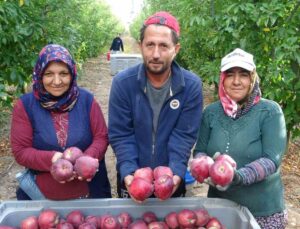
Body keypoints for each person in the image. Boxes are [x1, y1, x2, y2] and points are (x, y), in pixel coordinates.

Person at [108, 11, 203, 200]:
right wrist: (128, 171)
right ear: (140, 46)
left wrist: (176, 172)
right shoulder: (123, 83)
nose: (156, 54)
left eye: (164, 46)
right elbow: (121, 134)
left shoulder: (191, 86)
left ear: (176, 49)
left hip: (170, 179)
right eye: (150, 45)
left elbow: (184, 136)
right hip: (133, 178)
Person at [193, 48, 287, 228]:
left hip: (262, 211)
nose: (236, 81)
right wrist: (201, 166)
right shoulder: (211, 113)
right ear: (222, 79)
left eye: (243, 75)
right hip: (220, 209)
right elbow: (200, 151)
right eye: (230, 75)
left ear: (253, 78)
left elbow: (271, 160)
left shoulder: (270, 111)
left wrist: (238, 177)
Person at [10, 44, 111, 200]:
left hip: (90, 190)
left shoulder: (86, 100)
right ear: (39, 74)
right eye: (49, 74)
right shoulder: (25, 106)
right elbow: (21, 151)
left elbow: (101, 137)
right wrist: (53, 158)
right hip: (42, 195)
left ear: (72, 74)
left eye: (63, 73)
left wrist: (84, 161)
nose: (57, 81)